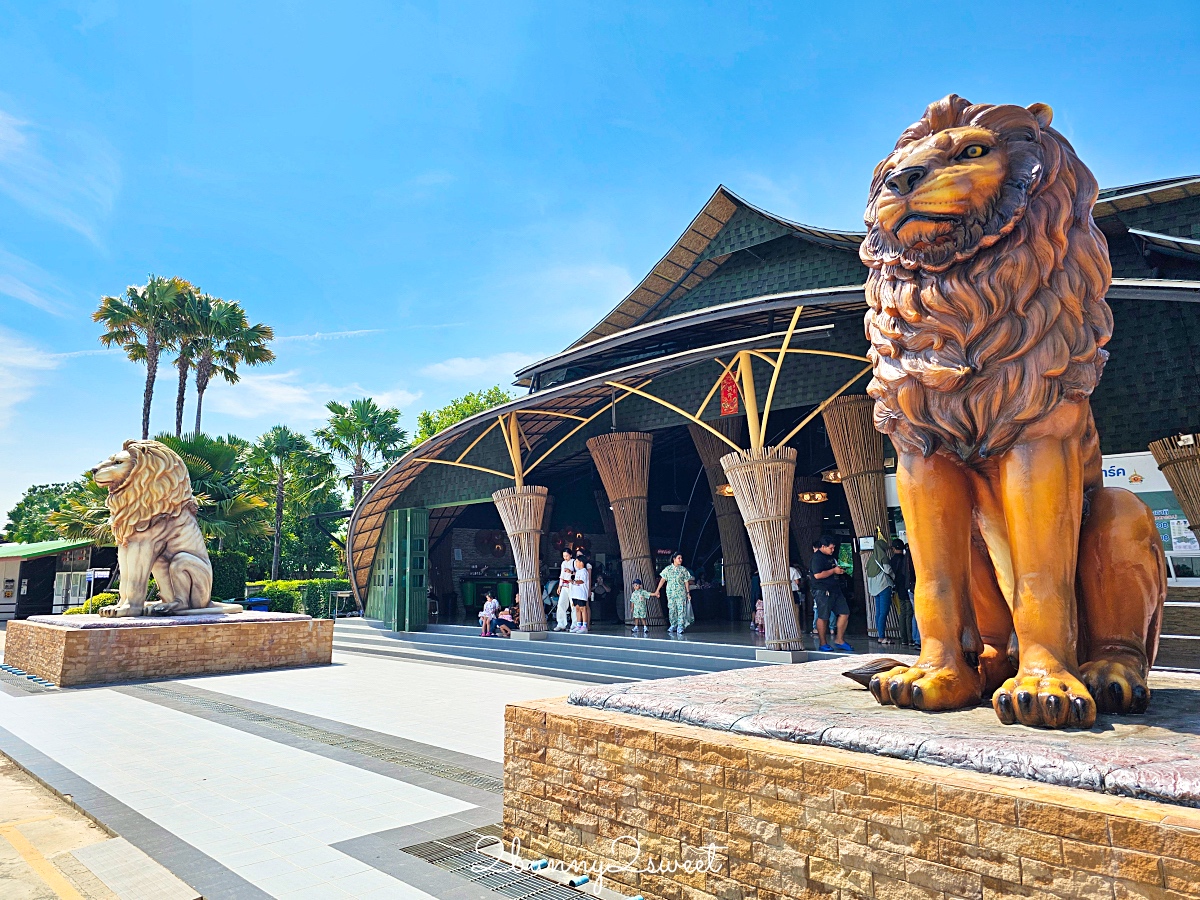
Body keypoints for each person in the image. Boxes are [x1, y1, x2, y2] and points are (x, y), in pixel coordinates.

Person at [810, 536, 852, 652]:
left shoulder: (830, 557)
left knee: (845, 613)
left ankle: (839, 639)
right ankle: (823, 643)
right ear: (823, 547)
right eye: (831, 548)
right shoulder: (817, 558)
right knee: (823, 616)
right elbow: (817, 575)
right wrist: (833, 571)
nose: (833, 550)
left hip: (835, 589)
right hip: (823, 590)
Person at [654, 552, 695, 634]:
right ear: (674, 559)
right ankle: (673, 624)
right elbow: (662, 580)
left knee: (681, 610)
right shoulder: (668, 569)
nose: (680, 560)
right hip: (671, 594)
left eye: (681, 558)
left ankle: (680, 626)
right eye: (679, 558)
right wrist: (657, 590)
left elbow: (686, 581)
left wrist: (688, 593)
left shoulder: (683, 570)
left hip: (681, 593)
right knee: (672, 609)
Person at [866, 534, 895, 645]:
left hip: (874, 589)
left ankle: (880, 635)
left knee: (878, 613)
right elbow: (888, 570)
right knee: (884, 612)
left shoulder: (870, 560)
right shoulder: (883, 557)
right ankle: (882, 637)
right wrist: (894, 577)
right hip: (884, 587)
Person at [890, 538, 915, 646]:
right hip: (907, 588)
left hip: (899, 589)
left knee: (902, 613)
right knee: (910, 613)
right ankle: (911, 639)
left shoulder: (892, 560)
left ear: (893, 548)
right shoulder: (906, 559)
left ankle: (903, 638)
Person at [789, 560, 811, 635]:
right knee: (796, 608)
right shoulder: (793, 570)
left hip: (783, 592)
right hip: (793, 591)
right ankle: (796, 625)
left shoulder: (779, 571)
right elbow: (797, 581)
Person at [569, 556, 591, 632]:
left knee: (583, 609)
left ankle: (584, 626)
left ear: (581, 562)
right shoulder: (578, 571)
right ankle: (578, 625)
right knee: (577, 608)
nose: (576, 563)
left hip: (581, 593)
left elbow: (582, 581)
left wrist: (574, 582)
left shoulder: (584, 571)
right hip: (576, 593)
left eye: (577, 562)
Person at [555, 549, 575, 632]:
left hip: (572, 585)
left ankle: (574, 624)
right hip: (564, 585)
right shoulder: (563, 563)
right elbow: (562, 575)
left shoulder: (574, 562)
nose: (565, 558)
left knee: (573, 605)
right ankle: (561, 623)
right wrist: (559, 586)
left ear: (570, 555)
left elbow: (578, 573)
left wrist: (571, 572)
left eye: (567, 556)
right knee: (561, 604)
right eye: (564, 556)